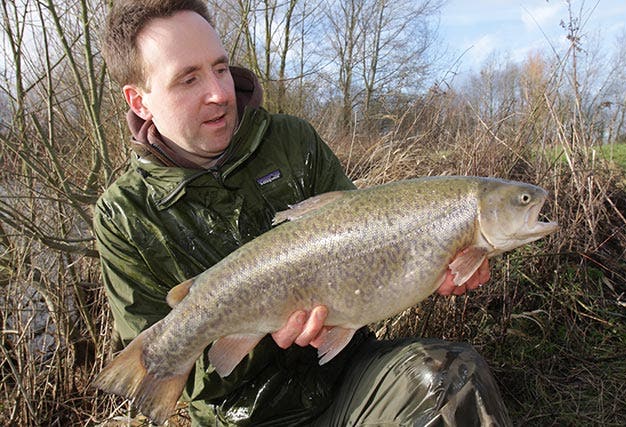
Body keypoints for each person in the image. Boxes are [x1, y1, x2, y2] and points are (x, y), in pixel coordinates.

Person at [94, 0, 512, 425]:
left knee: (453, 378)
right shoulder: (123, 214)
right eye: (188, 79)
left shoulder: (294, 142)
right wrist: (262, 330)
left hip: (349, 378)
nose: (219, 92)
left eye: (220, 68)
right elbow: (197, 381)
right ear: (139, 101)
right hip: (247, 418)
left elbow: (368, 249)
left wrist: (428, 267)